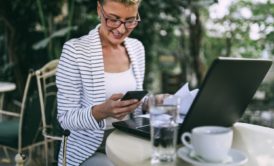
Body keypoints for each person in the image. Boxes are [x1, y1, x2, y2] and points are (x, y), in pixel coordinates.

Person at [56, 0, 144, 165]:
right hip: (88, 149)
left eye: (130, 21)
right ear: (99, 9)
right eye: (113, 19)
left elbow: (134, 102)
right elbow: (65, 118)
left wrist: (152, 102)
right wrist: (101, 111)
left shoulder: (137, 48)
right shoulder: (75, 51)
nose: (121, 29)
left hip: (130, 140)